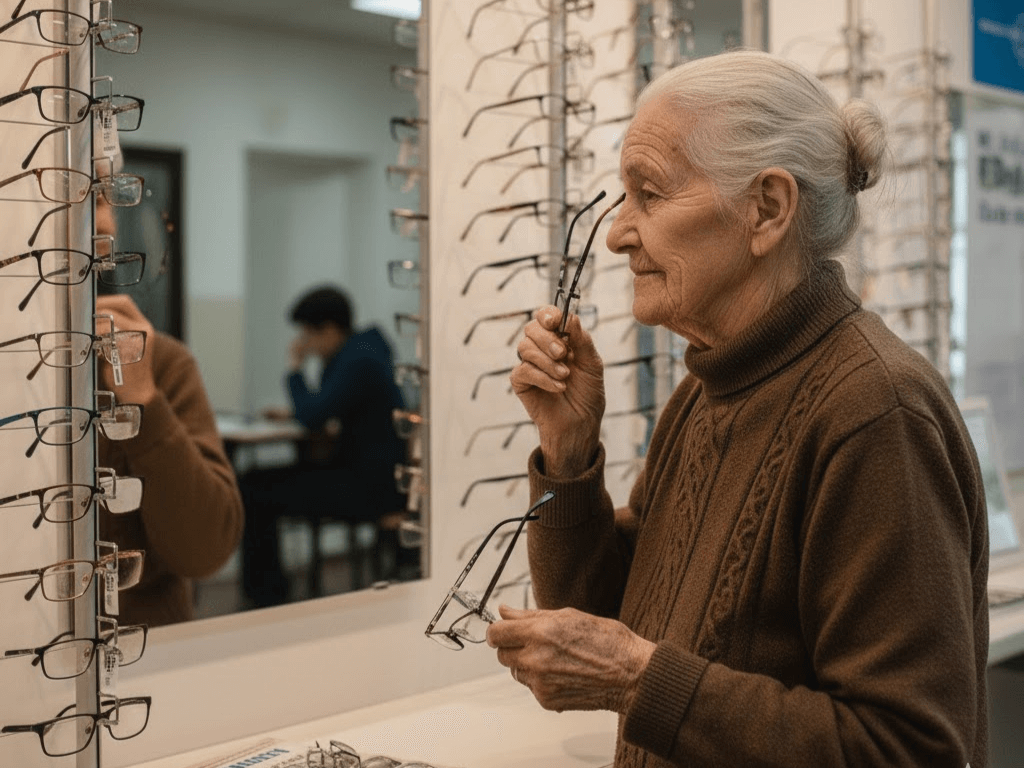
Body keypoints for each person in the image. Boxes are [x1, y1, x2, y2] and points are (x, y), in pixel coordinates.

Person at [489, 50, 989, 768]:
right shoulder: (705, 392)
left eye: (648, 195)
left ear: (767, 209)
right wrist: (569, 455)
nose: (618, 234)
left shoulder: (877, 414)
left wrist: (639, 680)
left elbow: (906, 748)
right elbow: (607, 620)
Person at [95, 196, 245, 628]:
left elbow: (206, 551)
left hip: (147, 648)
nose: (106, 220)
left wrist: (143, 399)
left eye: (105, 197)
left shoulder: (161, 362)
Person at [240, 286, 408, 608]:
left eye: (307, 334)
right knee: (258, 482)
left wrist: (294, 369)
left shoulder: (358, 360)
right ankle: (268, 591)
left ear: (328, 329)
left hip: (368, 487)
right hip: (375, 477)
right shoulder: (365, 350)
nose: (305, 344)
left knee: (253, 488)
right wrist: (296, 411)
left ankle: (265, 597)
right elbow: (329, 407)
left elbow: (313, 417)